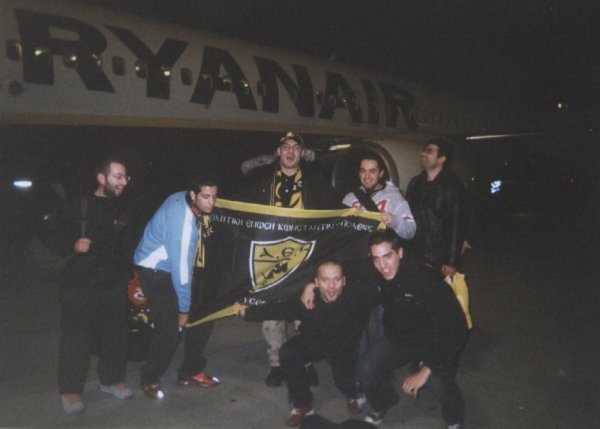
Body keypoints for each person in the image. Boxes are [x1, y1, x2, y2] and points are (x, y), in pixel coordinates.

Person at [241, 131, 340, 387]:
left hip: (302, 257)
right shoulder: (261, 179)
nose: (290, 151)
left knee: (303, 312)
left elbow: (333, 214)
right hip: (270, 258)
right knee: (271, 312)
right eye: (286, 146)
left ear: (302, 153)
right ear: (278, 151)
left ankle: (303, 361)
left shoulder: (316, 182)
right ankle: (276, 363)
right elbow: (243, 215)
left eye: (296, 147)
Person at [236, 260, 376, 427]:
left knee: (345, 382)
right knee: (289, 352)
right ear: (316, 282)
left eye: (337, 279)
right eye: (325, 280)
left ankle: (354, 393)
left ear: (344, 280)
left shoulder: (357, 295)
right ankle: (302, 404)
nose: (331, 286)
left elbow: (372, 276)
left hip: (343, 346)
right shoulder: (307, 299)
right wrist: (247, 313)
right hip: (314, 341)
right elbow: (279, 309)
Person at [359, 229, 468, 428]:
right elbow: (346, 270)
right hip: (402, 337)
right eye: (376, 259)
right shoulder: (375, 269)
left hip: (435, 338)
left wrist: (426, 369)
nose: (383, 266)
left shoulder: (425, 280)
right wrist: (312, 285)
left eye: (388, 256)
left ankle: (454, 419)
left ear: (400, 252)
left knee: (437, 381)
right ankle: (384, 401)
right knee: (367, 367)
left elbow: (456, 328)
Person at [56, 156, 133, 414]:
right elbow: (52, 234)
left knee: (115, 335)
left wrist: (131, 275)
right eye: (118, 176)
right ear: (101, 178)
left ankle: (111, 380)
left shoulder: (124, 208)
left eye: (125, 177)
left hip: (113, 283)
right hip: (80, 284)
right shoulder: (80, 205)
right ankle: (70, 390)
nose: (124, 182)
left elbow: (128, 244)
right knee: (76, 338)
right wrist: (73, 245)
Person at [133, 174, 220, 399]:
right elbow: (182, 272)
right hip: (155, 270)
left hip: (170, 267)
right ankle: (150, 378)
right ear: (193, 195)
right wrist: (183, 310)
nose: (211, 203)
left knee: (204, 317)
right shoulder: (183, 222)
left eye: (214, 197)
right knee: (170, 330)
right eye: (206, 197)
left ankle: (189, 371)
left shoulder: (182, 197)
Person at [342, 153, 416, 355]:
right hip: (357, 271)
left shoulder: (395, 198)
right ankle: (361, 365)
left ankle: (382, 364)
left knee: (384, 320)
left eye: (372, 171)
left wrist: (394, 220)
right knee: (357, 323)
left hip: (383, 271)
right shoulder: (349, 198)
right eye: (363, 171)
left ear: (381, 173)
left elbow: (411, 231)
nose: (367, 176)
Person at [406, 139, 469, 278]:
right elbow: (406, 217)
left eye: (429, 151)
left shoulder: (452, 186)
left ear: (441, 159)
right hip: (415, 254)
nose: (423, 153)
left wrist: (451, 262)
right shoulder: (415, 184)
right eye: (424, 150)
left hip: (439, 258)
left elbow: (457, 225)